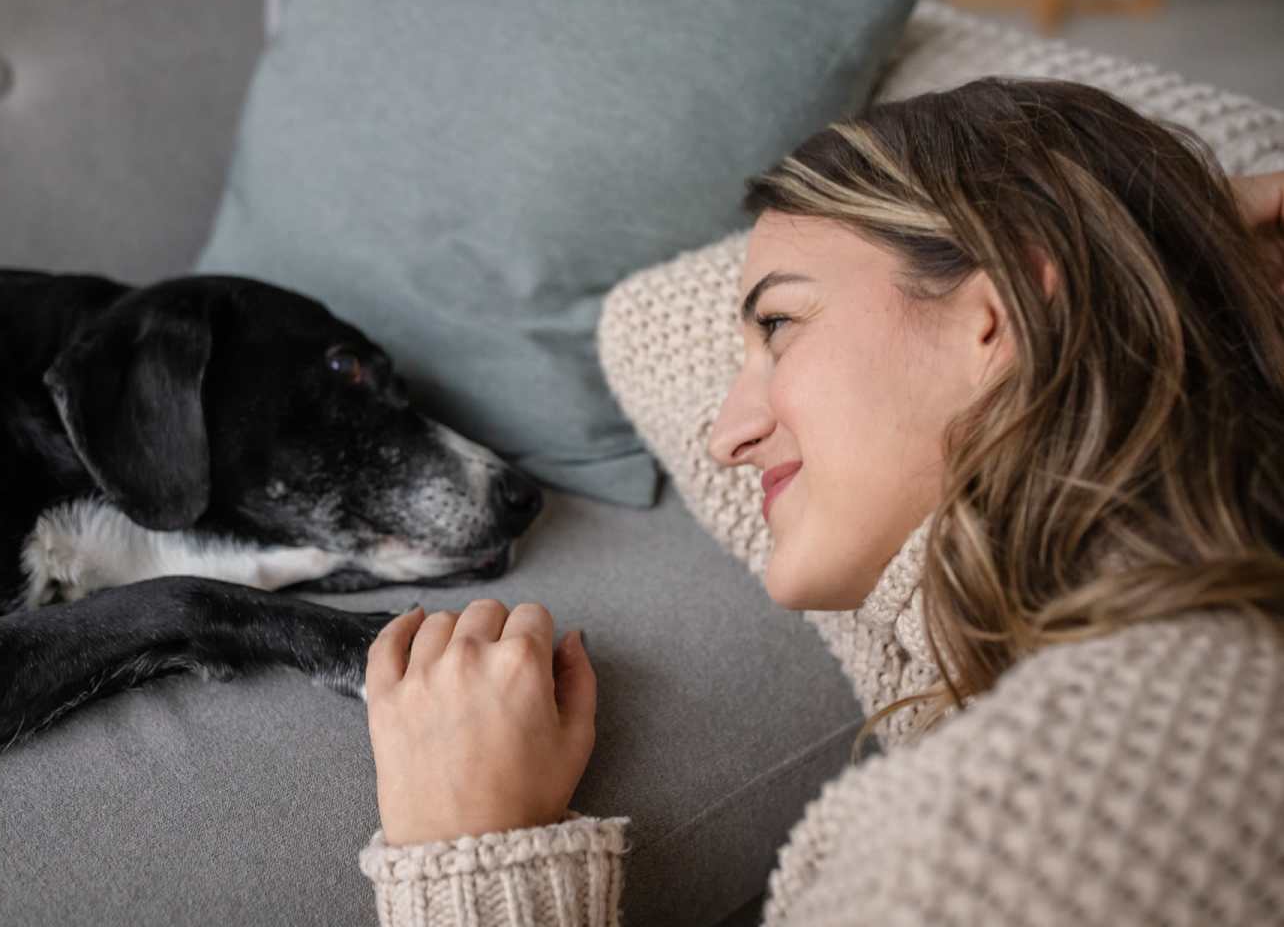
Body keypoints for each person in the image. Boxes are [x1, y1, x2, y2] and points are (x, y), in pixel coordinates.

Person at [356, 78, 1284, 925]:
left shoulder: (1035, 829)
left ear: (1000, 318)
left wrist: (469, 858)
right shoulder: (1070, 634)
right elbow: (648, 320)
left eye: (779, 324)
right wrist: (1170, 238)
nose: (726, 436)